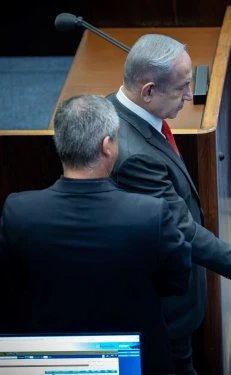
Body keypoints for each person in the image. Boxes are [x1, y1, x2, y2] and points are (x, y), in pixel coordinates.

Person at [107, 34, 231, 374]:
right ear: (148, 91)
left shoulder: (122, 110)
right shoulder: (134, 157)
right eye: (181, 88)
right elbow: (182, 231)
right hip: (162, 306)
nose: (188, 96)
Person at [0, 94, 192, 375]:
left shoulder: (18, 211)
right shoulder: (151, 214)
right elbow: (178, 282)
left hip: (46, 359)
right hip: (134, 358)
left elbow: (9, 286)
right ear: (106, 146)